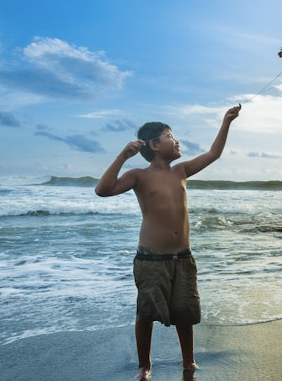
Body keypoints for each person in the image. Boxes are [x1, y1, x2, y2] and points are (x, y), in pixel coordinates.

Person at [95, 104, 241, 380]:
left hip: (183, 258)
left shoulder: (181, 171)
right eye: (170, 136)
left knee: (185, 312)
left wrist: (226, 122)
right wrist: (123, 157)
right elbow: (103, 190)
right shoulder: (138, 175)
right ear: (155, 145)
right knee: (146, 312)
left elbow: (214, 153)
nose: (176, 140)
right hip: (151, 259)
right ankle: (144, 366)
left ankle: (189, 361)